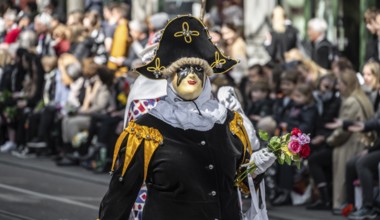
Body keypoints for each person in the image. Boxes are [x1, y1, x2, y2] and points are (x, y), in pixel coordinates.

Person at [98, 15, 276, 220]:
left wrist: (255, 168)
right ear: (168, 75)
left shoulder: (228, 122)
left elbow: (238, 182)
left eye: (198, 68)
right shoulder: (145, 131)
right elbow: (121, 196)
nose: (191, 75)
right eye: (182, 68)